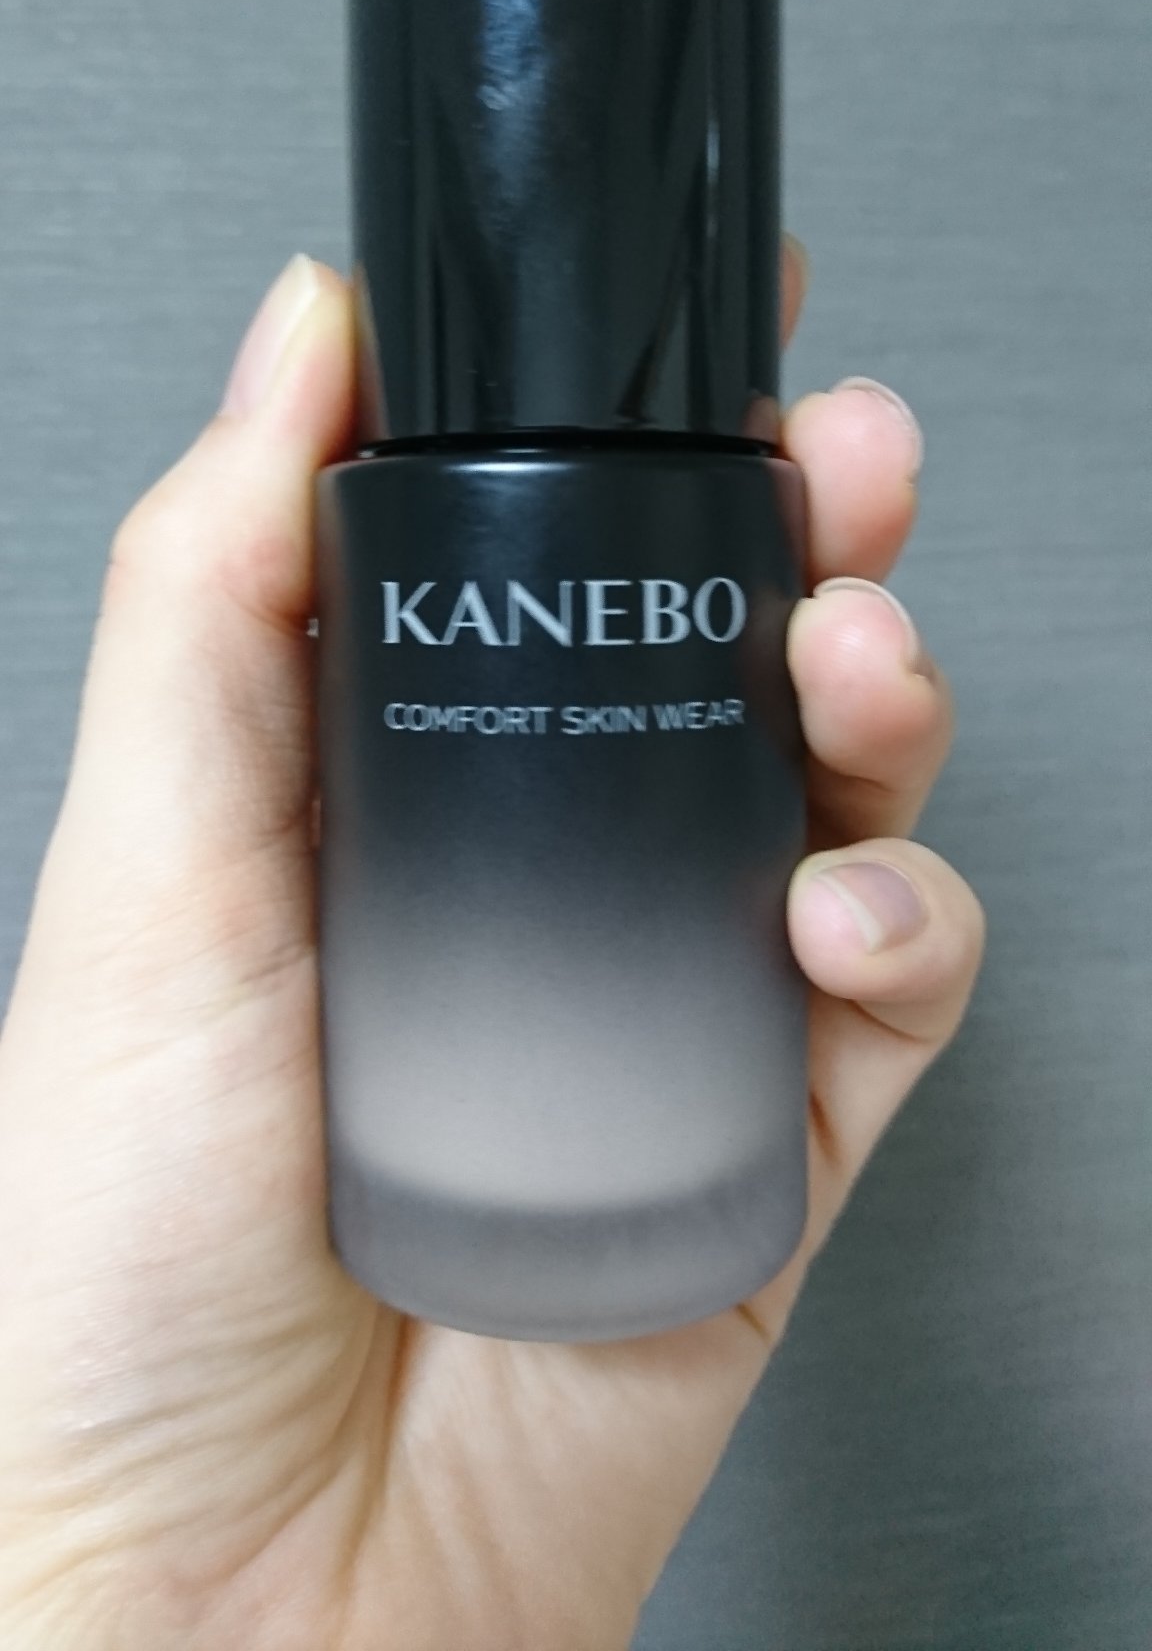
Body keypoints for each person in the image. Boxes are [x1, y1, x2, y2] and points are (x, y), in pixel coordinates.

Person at [0, 241, 985, 1649]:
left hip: (680, 1215)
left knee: (839, 824)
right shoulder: (394, 497)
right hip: (331, 1308)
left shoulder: (724, 494)